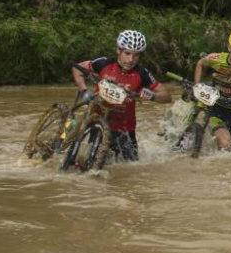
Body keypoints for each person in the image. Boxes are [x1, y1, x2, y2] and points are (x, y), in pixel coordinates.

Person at [71, 29, 172, 162]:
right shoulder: (104, 63)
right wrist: (84, 89)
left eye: (136, 55)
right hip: (98, 122)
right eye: (127, 53)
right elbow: (77, 68)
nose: (131, 60)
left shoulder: (142, 73)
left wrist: (152, 95)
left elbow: (167, 96)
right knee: (84, 161)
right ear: (119, 50)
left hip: (125, 130)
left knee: (131, 170)